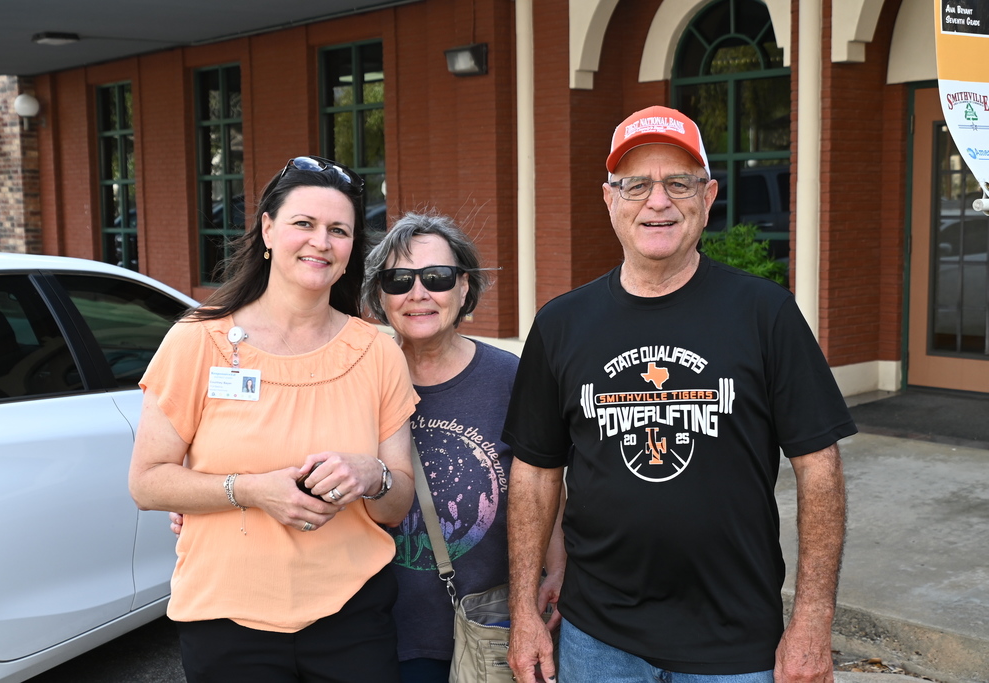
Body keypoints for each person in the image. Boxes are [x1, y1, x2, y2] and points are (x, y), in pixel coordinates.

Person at [502, 105, 856, 683]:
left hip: (735, 643)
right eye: (636, 184)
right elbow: (535, 474)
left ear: (708, 195)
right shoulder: (562, 324)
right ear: (609, 198)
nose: (657, 201)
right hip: (598, 638)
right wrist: (523, 614)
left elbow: (820, 471)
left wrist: (812, 622)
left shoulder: (766, 315)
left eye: (678, 183)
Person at [129, 155, 418, 683]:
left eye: (339, 230)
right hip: (225, 620)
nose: (321, 242)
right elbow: (148, 483)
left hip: (352, 617)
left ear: (353, 247)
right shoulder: (198, 341)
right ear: (267, 228)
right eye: (303, 224)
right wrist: (253, 490)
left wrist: (370, 475)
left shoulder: (376, 354)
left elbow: (396, 505)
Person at [361, 212, 565, 682]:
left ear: (464, 287)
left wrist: (556, 569)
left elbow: (542, 481)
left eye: (436, 277)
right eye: (398, 280)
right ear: (380, 295)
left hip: (491, 622)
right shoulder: (360, 380)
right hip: (385, 628)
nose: (418, 294)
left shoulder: (508, 377)